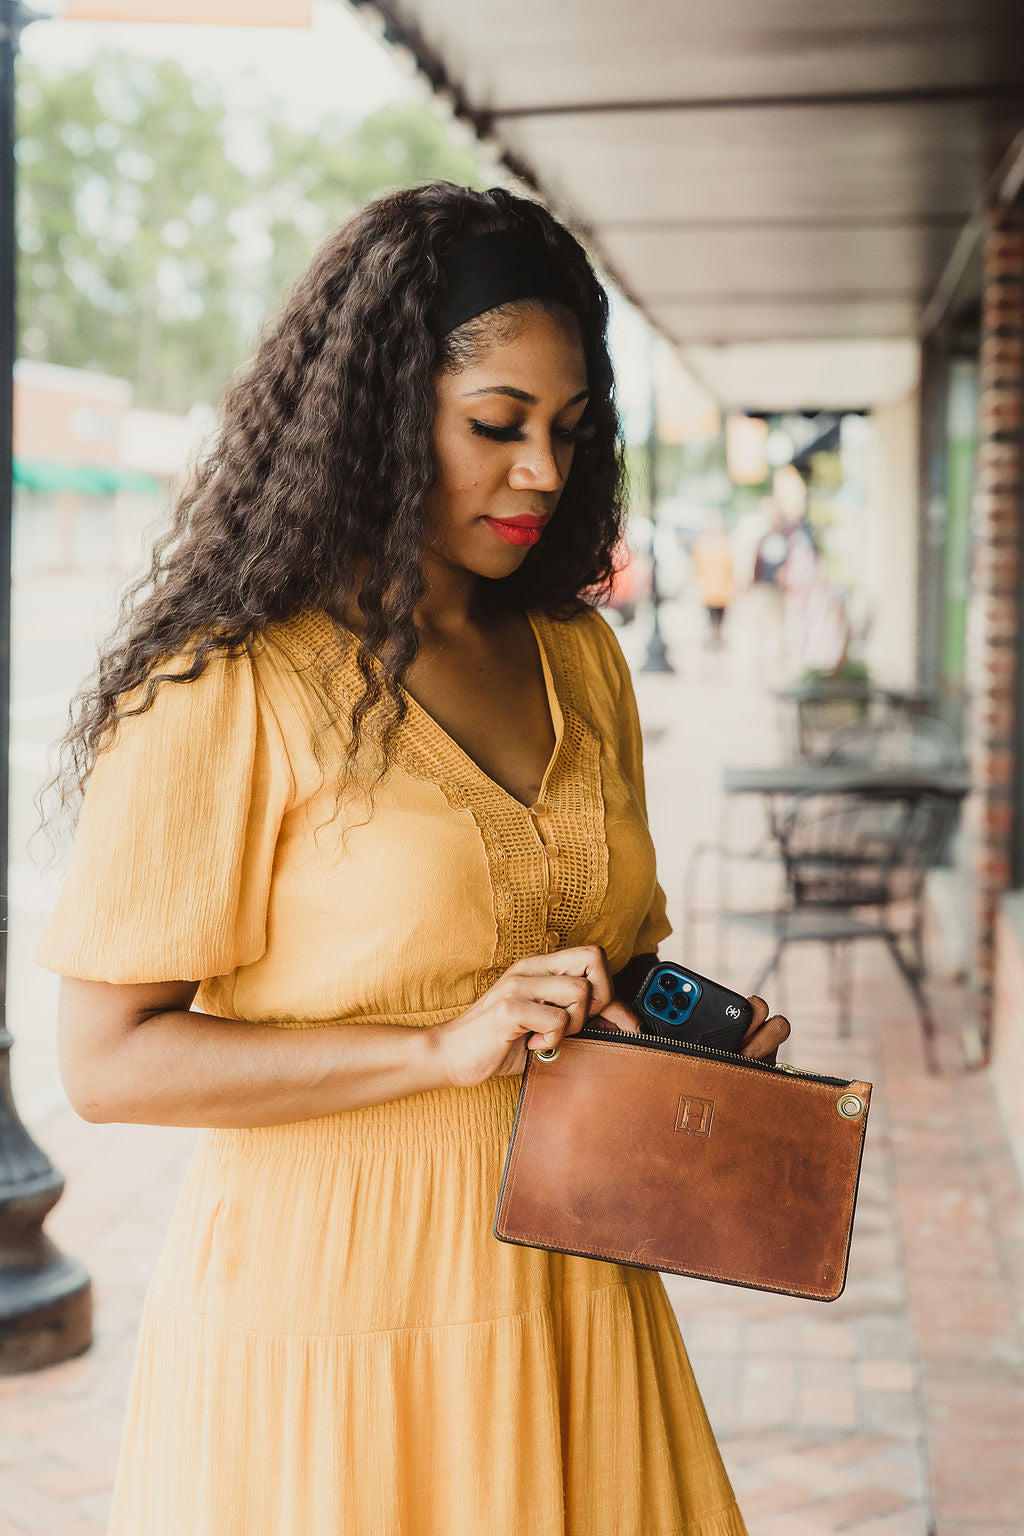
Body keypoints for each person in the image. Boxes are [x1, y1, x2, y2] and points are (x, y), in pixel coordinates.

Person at [35, 183, 791, 1536]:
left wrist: (673, 1041)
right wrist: (436, 1048)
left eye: (569, 432)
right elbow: (104, 1062)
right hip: (333, 1323)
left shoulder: (580, 655)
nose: (544, 474)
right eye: (496, 426)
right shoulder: (228, 685)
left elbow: (606, 955)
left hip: (576, 1290)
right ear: (382, 420)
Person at [691, 512, 736, 650]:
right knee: (710, 619)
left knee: (719, 620)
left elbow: (730, 569)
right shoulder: (701, 545)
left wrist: (732, 588)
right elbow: (696, 568)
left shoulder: (725, 545)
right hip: (708, 591)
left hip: (722, 591)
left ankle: (716, 639)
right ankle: (712, 639)